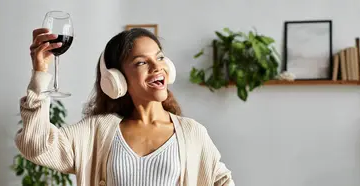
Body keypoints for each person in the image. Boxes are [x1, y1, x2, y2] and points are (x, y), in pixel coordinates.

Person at [15, 27, 234, 186]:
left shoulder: (192, 132)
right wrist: (40, 72)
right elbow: (37, 145)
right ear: (116, 80)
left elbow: (221, 181)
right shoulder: (96, 132)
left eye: (159, 57)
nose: (157, 66)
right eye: (141, 62)